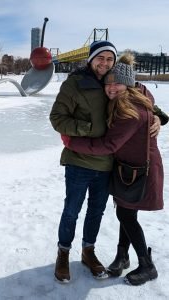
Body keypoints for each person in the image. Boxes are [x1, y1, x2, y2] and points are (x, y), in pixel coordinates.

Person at [49, 40, 166, 283]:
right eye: (100, 58)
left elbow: (147, 102)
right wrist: (88, 128)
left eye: (109, 59)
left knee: (96, 211)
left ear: (115, 63)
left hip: (107, 164)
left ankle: (88, 251)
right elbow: (57, 118)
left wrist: (156, 118)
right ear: (90, 59)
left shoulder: (117, 80)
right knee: (71, 210)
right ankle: (63, 253)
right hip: (80, 161)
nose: (104, 63)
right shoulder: (74, 84)